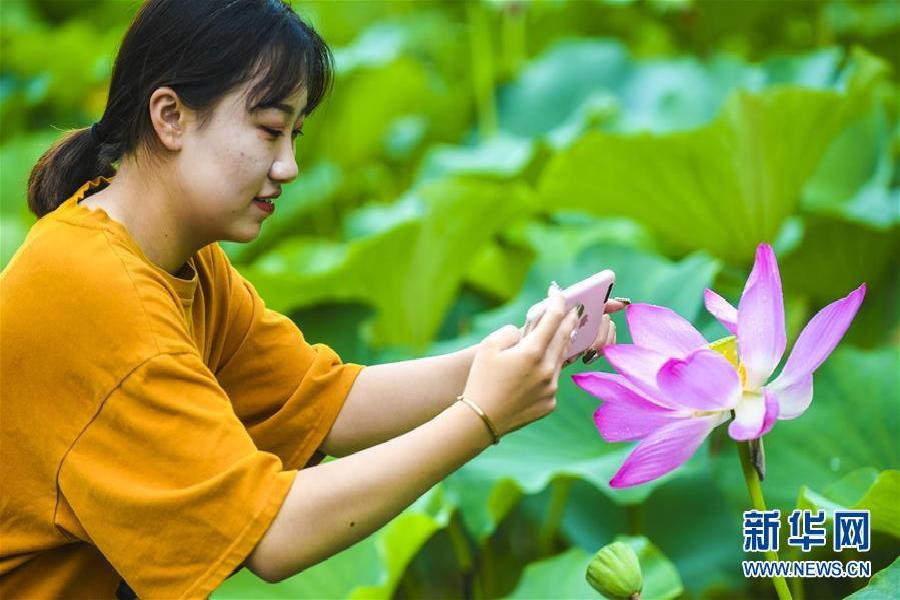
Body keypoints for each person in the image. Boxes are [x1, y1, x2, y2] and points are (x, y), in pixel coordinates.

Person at [0, 1, 620, 597]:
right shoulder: (99, 293)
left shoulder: (175, 261)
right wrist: (481, 419)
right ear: (170, 117)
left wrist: (532, 345)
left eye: (294, 134)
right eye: (270, 130)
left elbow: (328, 402)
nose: (290, 166)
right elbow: (273, 535)